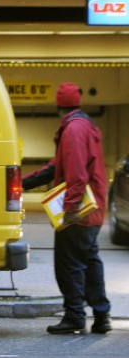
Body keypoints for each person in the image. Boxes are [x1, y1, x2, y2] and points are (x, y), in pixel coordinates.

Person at [22, 82, 111, 335]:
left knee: (69, 265)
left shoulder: (72, 130)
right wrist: (24, 183)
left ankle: (74, 316)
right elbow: (56, 166)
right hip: (93, 210)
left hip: (79, 212)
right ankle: (102, 315)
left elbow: (76, 173)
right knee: (90, 263)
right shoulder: (85, 126)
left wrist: (70, 209)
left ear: (58, 105)